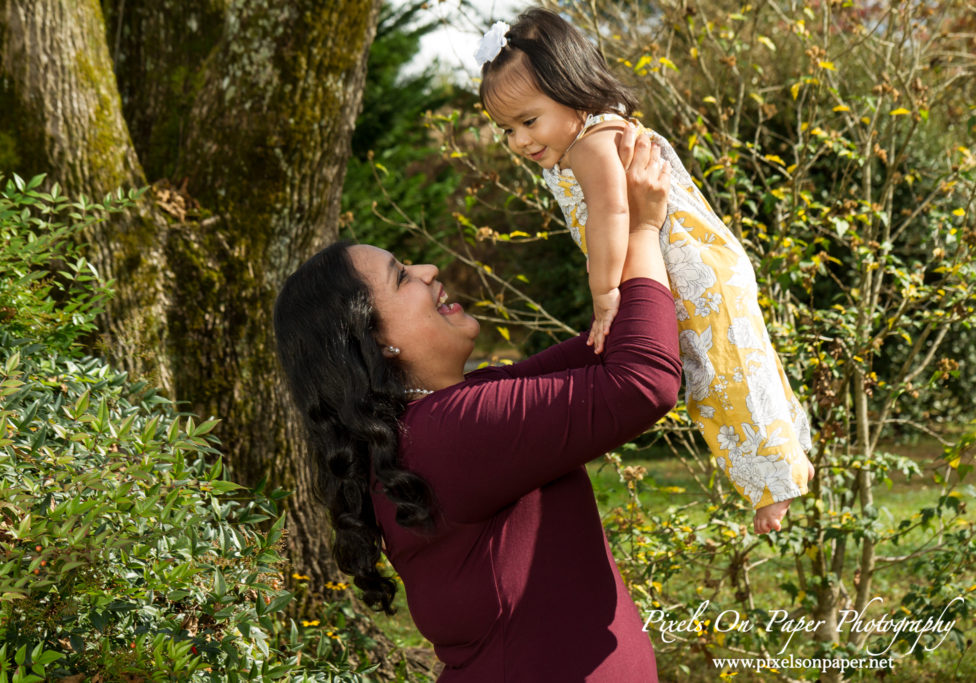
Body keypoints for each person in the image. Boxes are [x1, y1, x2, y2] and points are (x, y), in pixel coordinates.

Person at [274, 128, 677, 681]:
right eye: (402, 277)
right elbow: (643, 381)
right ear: (376, 342)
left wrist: (615, 207)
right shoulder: (445, 434)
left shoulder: (440, 419)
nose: (429, 271)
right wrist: (646, 227)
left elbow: (614, 344)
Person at [475, 7, 813, 534]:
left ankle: (774, 484)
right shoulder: (593, 133)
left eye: (528, 121)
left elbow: (613, 213)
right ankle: (788, 456)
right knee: (740, 360)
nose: (519, 141)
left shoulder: (590, 144)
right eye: (507, 130)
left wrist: (605, 291)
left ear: (571, 92)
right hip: (698, 263)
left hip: (690, 272)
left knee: (719, 373)